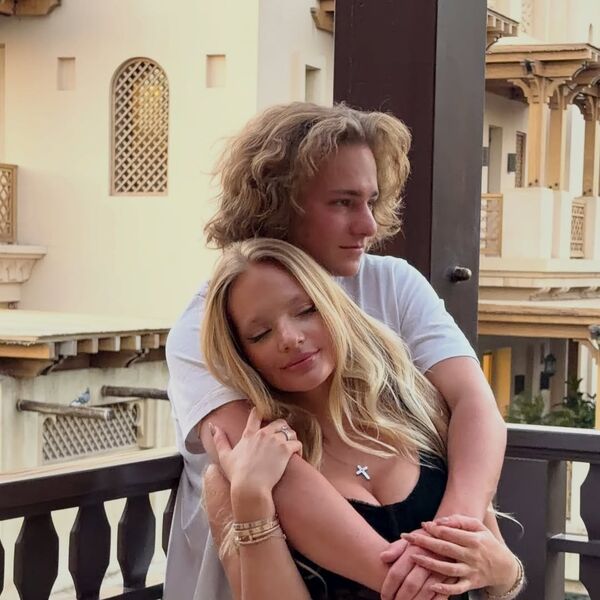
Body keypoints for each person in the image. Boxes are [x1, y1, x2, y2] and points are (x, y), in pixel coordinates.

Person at [164, 102, 507, 600]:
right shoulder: (207, 323)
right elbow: (274, 470)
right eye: (343, 203)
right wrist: (420, 582)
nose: (367, 225)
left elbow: (475, 403)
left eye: (371, 201)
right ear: (280, 205)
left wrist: (455, 536)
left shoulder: (394, 283)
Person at [200, 238, 524, 600]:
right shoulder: (239, 475)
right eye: (260, 334)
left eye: (305, 311)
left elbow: (495, 573)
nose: (289, 338)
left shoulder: (421, 412)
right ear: (242, 355)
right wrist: (252, 501)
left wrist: (505, 571)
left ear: (332, 307)